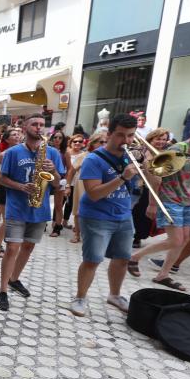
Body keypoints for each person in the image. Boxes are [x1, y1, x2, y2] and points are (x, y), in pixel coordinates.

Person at [128, 115, 190, 290]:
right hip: (169, 199)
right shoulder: (178, 149)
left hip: (188, 201)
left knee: (185, 239)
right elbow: (155, 174)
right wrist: (152, 203)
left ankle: (163, 275)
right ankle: (135, 257)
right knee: (175, 240)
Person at [69, 114, 139, 317]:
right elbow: (94, 193)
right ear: (109, 134)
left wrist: (151, 168)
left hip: (124, 215)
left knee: (123, 258)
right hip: (96, 217)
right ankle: (80, 297)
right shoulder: (93, 159)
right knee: (93, 260)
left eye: (130, 136)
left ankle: (114, 295)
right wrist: (123, 177)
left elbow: (150, 183)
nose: (126, 141)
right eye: (120, 135)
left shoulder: (130, 156)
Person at [0, 114, 64, 311]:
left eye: (42, 125)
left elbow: (59, 184)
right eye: (34, 124)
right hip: (17, 207)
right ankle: (2, 290)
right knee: (12, 248)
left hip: (40, 209)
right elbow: (1, 180)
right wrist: (20, 186)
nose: (39, 127)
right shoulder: (13, 152)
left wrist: (54, 172)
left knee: (28, 247)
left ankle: (14, 279)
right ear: (25, 127)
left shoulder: (53, 153)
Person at [131, 128, 169, 248]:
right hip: (139, 186)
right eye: (158, 139)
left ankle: (138, 236)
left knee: (145, 216)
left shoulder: (166, 153)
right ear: (151, 139)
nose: (161, 142)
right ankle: (132, 235)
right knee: (137, 211)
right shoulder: (141, 150)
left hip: (156, 187)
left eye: (164, 139)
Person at [68, 132, 107, 243]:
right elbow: (72, 171)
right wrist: (67, 186)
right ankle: (77, 234)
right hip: (81, 185)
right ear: (93, 143)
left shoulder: (107, 156)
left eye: (105, 142)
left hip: (99, 185)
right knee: (78, 211)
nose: (104, 144)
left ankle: (93, 235)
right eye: (101, 142)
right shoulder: (84, 156)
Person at [0, 128, 21, 255]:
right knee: (7, 219)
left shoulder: (23, 151)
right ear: (7, 140)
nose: (17, 136)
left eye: (18, 134)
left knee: (10, 219)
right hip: (4, 186)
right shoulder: (4, 154)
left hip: (16, 187)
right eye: (14, 135)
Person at [48, 130, 71, 237]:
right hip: (47, 179)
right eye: (55, 137)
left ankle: (57, 227)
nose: (57, 139)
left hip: (60, 180)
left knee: (58, 205)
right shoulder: (47, 150)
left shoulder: (65, 152)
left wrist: (66, 182)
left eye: (60, 138)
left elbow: (70, 169)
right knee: (43, 202)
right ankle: (41, 224)